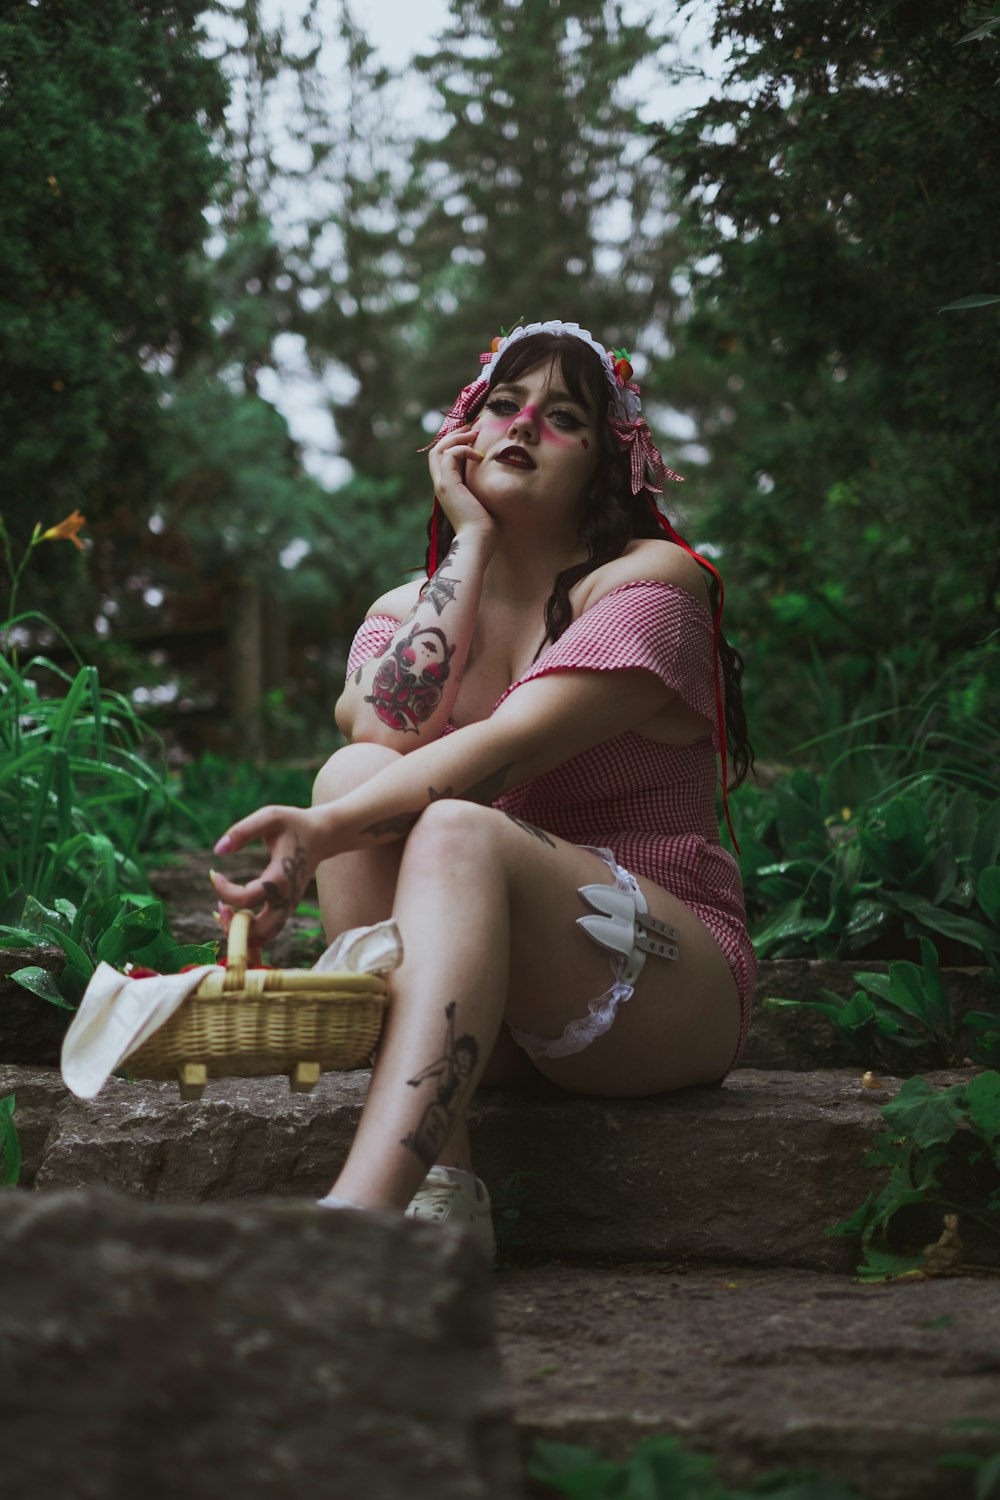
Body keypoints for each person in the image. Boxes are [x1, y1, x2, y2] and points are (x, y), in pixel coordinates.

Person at [210, 319, 755, 1258]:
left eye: (563, 417)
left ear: (605, 462)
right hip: (485, 1004)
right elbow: (386, 735)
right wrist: (468, 536)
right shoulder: (401, 612)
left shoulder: (654, 587)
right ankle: (441, 1205)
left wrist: (319, 836)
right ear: (461, 435)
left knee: (458, 827)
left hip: (662, 984)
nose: (523, 425)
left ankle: (360, 1220)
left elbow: (506, 751)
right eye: (505, 404)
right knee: (356, 770)